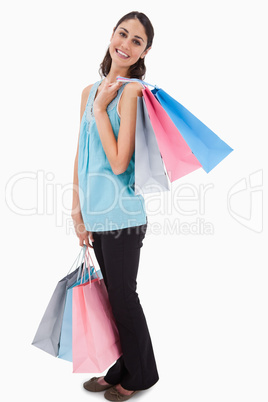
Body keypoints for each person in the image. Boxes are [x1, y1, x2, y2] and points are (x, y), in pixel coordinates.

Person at [71, 11, 159, 401]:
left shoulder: (132, 92)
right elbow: (81, 153)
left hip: (123, 214)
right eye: (122, 34)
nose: (125, 43)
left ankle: (142, 374)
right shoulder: (90, 91)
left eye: (136, 40)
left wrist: (99, 112)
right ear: (111, 35)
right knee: (114, 298)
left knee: (124, 297)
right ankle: (123, 366)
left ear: (145, 51)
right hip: (96, 212)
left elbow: (120, 161)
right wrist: (77, 211)